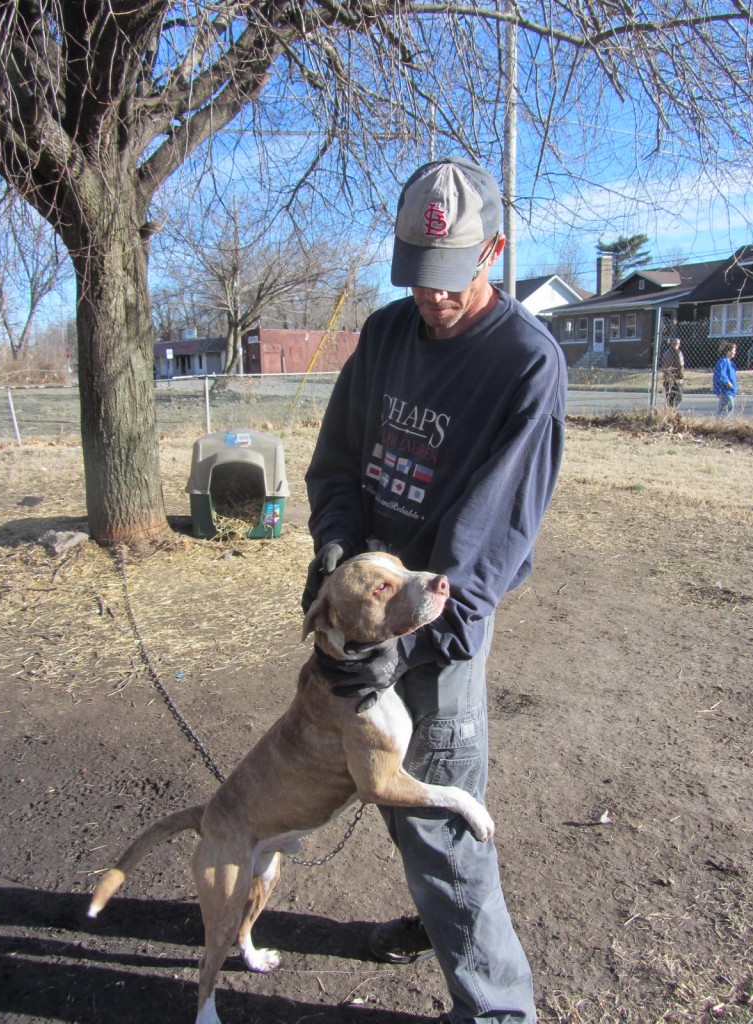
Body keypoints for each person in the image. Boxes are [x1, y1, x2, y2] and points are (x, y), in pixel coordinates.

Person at [302, 157, 567, 1024]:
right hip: (365, 619)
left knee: (442, 821)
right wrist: (335, 561)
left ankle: (498, 1011)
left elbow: (481, 549)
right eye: (418, 276)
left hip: (434, 631)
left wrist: (387, 642)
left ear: (493, 250)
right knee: (395, 791)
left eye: (450, 279)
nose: (432, 299)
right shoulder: (383, 338)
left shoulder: (526, 365)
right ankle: (435, 920)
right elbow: (337, 465)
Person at [713, 341, 738, 417]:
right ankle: (722, 422)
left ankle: (720, 422)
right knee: (730, 405)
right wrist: (727, 382)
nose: (735, 352)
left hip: (729, 390)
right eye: (734, 351)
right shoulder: (723, 361)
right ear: (728, 352)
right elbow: (721, 373)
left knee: (725, 406)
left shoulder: (730, 363)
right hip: (724, 389)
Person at [660, 336, 685, 408]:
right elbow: (680, 365)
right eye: (679, 344)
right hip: (676, 379)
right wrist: (681, 376)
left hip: (667, 378)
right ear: (677, 344)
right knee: (679, 396)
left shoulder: (666, 353)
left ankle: (670, 411)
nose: (679, 345)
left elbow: (663, 365)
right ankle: (673, 410)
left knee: (669, 398)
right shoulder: (678, 353)